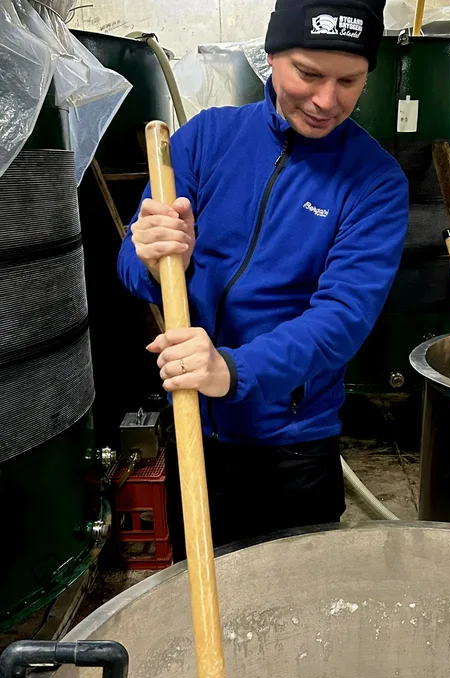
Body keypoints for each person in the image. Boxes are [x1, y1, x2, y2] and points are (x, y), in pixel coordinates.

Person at [117, 0, 409, 558]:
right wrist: (152, 259)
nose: (327, 100)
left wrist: (231, 368)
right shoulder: (204, 140)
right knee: (202, 601)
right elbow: (133, 268)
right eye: (308, 73)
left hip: (293, 453)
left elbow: (340, 319)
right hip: (191, 431)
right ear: (270, 57)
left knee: (296, 622)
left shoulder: (374, 182)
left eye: (350, 80)